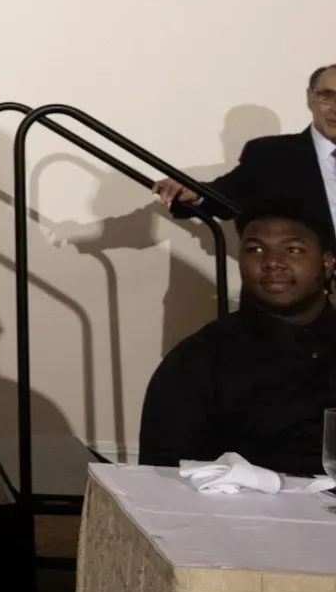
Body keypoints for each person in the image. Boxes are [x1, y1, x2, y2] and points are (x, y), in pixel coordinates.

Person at [139, 210, 336, 476]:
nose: (272, 262)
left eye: (293, 250)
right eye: (256, 249)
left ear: (327, 263)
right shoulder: (198, 359)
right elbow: (164, 472)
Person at [153, 63, 336, 239]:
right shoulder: (271, 155)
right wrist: (193, 192)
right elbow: (224, 196)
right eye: (328, 96)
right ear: (310, 98)